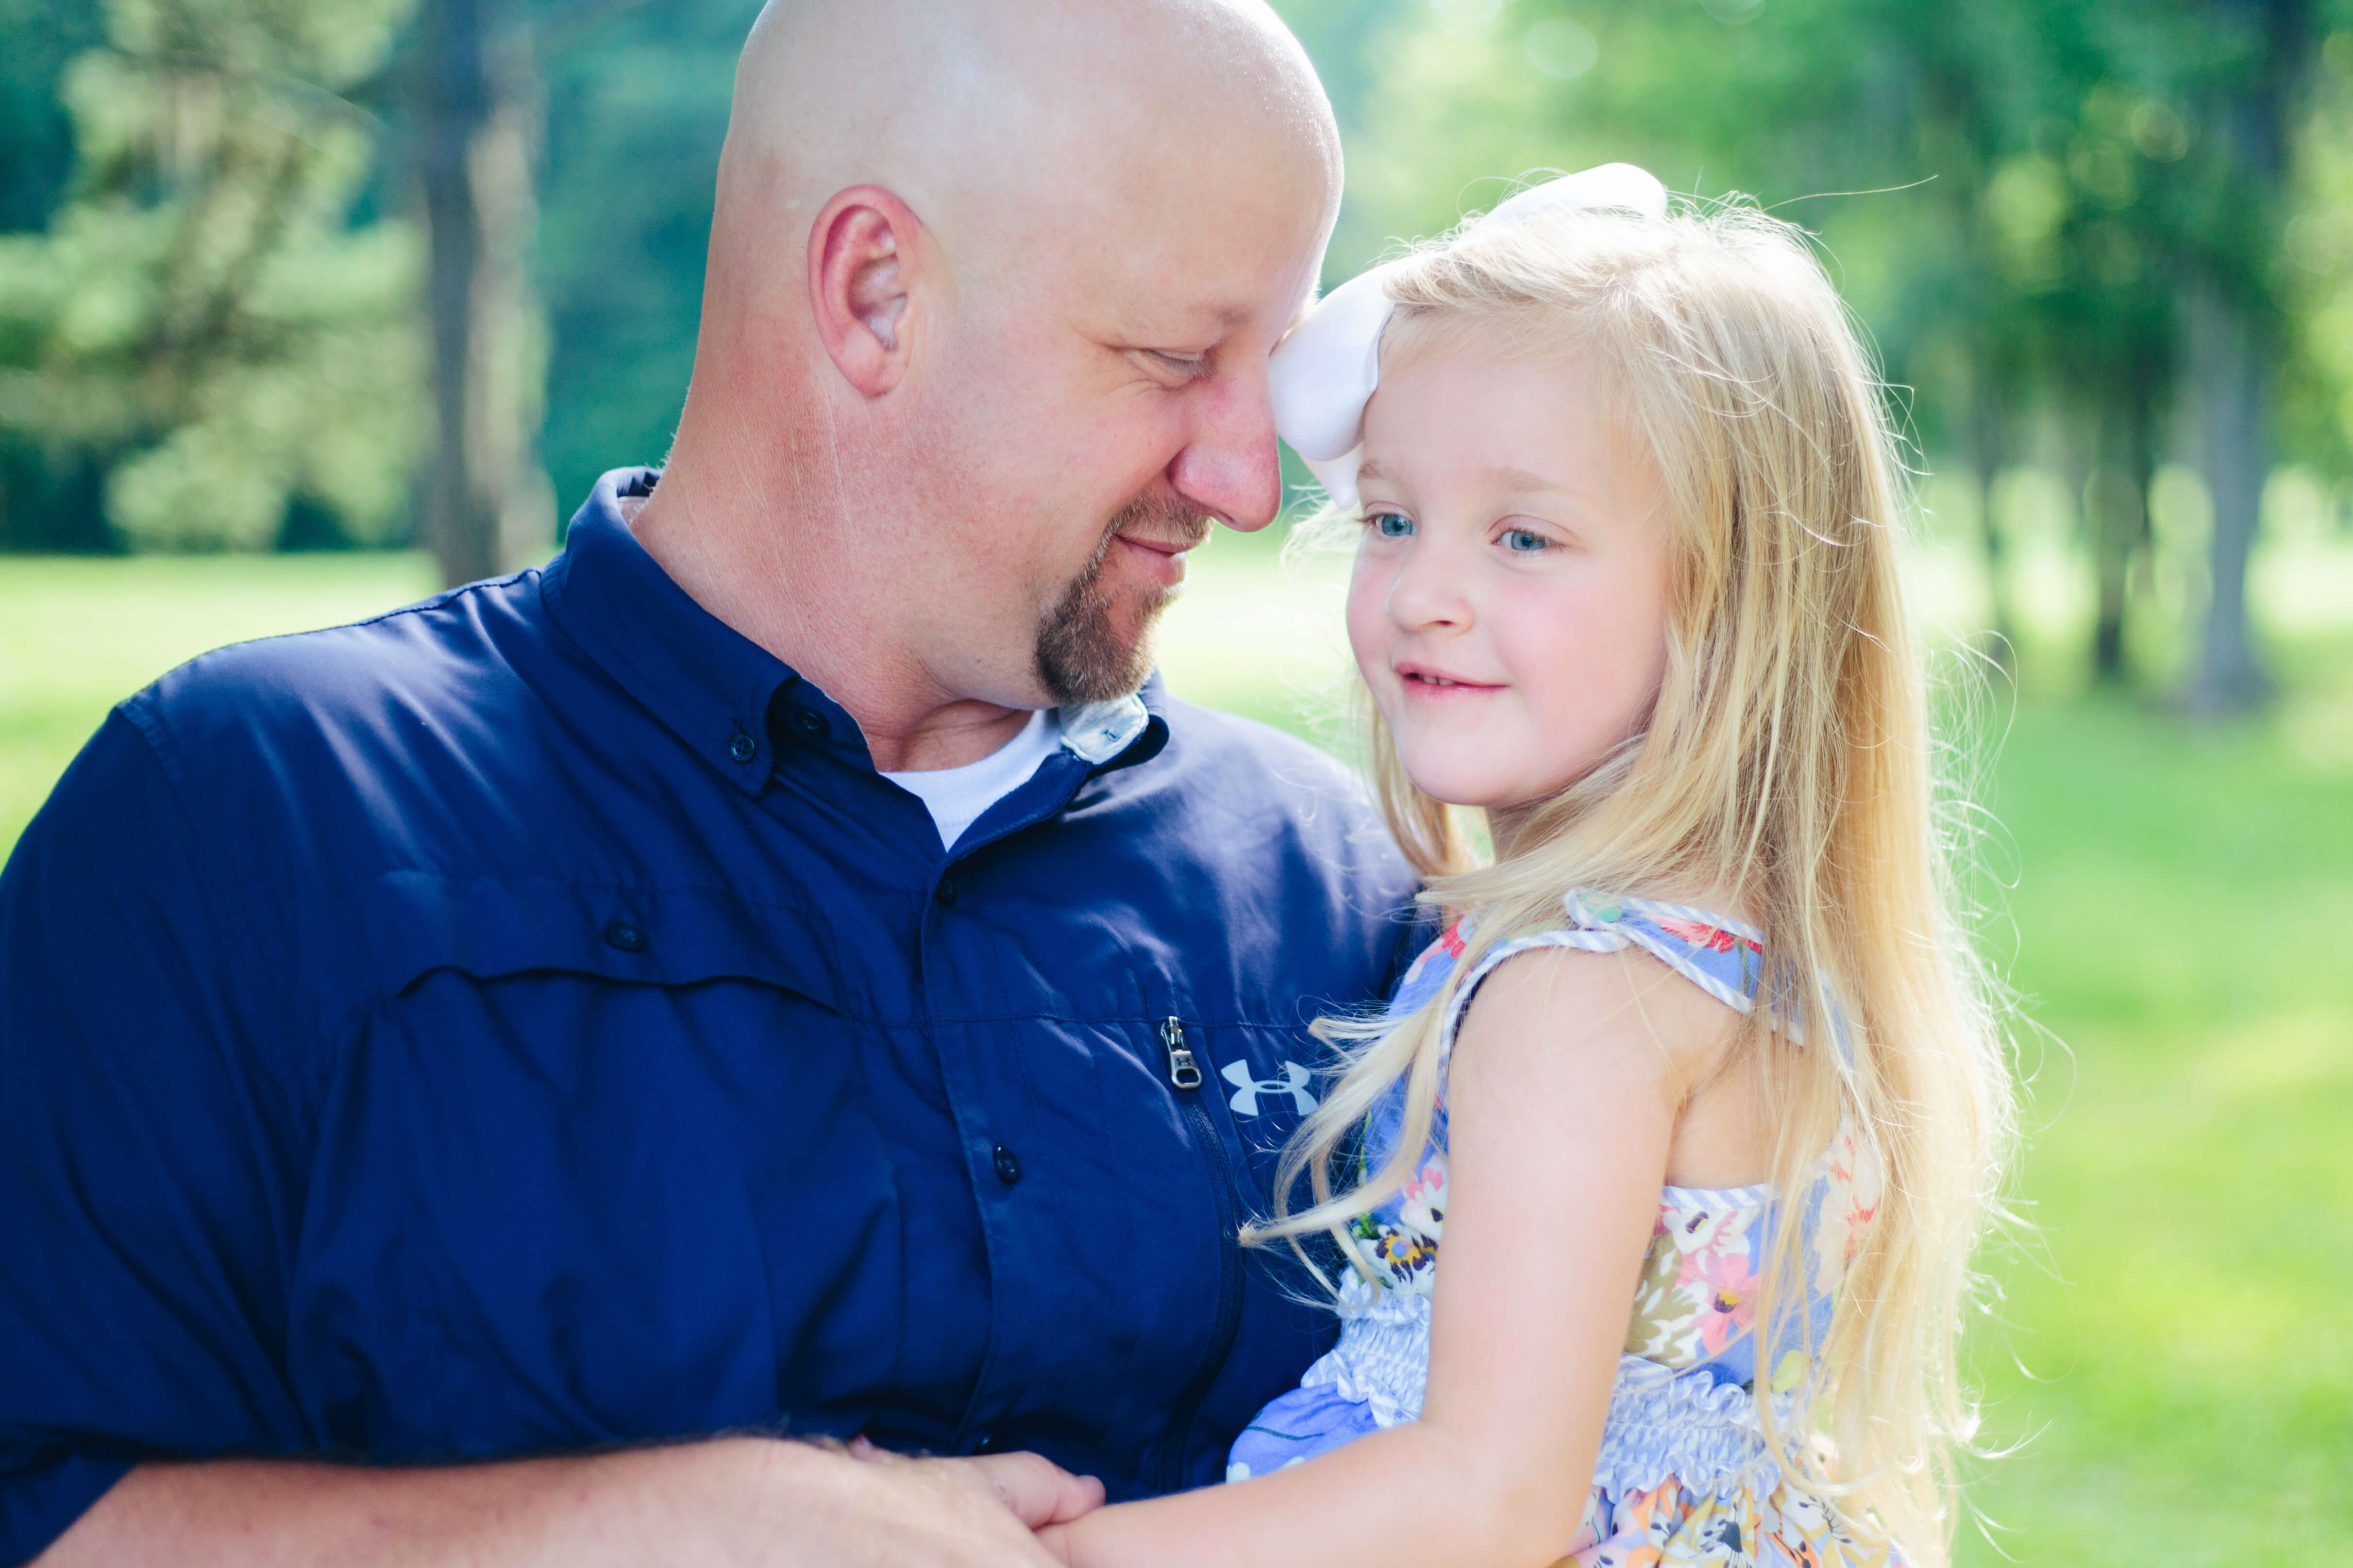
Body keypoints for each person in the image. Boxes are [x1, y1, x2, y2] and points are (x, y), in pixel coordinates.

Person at [0, 2, 1422, 1564]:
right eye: (1173, 359)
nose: (1243, 479)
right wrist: (667, 1527)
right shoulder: (247, 821)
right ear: (876, 292)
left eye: (1269, 374)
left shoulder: (1344, 889)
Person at [1031, 169, 2015, 1567]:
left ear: (1731, 604)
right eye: (1390, 519)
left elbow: (1492, 1501)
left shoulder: (1579, 996)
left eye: (1524, 537)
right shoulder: (1736, 951)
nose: (1424, 588)